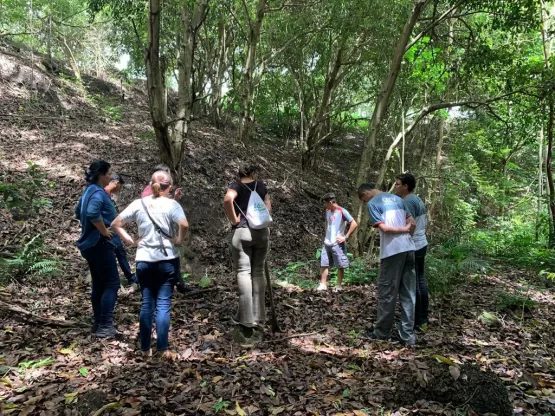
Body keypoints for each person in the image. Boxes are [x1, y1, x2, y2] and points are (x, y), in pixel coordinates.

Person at [111, 170, 189, 357]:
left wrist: (131, 241)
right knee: (163, 305)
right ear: (169, 186)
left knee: (147, 304)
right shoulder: (172, 205)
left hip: (144, 259)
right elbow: (184, 225)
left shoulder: (139, 203)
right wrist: (178, 239)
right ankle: (163, 348)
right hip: (167, 260)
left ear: (151, 184)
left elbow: (115, 223)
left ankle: (145, 348)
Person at [358, 183, 417, 345]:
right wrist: (407, 235)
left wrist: (403, 230)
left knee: (387, 292)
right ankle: (407, 335)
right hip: (409, 249)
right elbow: (413, 224)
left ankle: (382, 332)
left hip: (392, 252)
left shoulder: (373, 203)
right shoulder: (399, 199)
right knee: (408, 293)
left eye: (363, 199)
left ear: (366, 193)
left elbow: (384, 229)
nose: (365, 203)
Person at [223, 163, 271, 340]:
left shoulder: (236, 186)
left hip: (242, 231)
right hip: (262, 233)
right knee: (257, 273)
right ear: (253, 173)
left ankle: (246, 320)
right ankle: (258, 316)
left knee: (244, 272)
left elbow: (228, 199)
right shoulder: (261, 186)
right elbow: (268, 207)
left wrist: (234, 220)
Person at [75, 160, 120, 338]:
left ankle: (97, 323)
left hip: (90, 245)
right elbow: (92, 213)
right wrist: (104, 231)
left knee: (99, 284)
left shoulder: (88, 191)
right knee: (112, 283)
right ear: (101, 175)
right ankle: (105, 325)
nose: (110, 177)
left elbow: (78, 212)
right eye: (109, 173)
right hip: (99, 245)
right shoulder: (99, 194)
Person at [394, 173, 429, 329]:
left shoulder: (407, 201)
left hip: (414, 244)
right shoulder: (417, 199)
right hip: (422, 243)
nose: (395, 187)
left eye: (397, 184)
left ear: (405, 186)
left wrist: (405, 243)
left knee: (413, 283)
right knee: (420, 280)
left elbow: (411, 224)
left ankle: (416, 319)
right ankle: (422, 317)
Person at [317, 193, 358, 292]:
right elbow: (327, 222)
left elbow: (354, 223)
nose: (324, 206)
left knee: (339, 264)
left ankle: (338, 286)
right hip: (327, 242)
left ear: (330, 202)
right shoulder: (327, 211)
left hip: (337, 243)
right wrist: (327, 233)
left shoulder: (342, 211)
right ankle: (323, 284)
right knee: (324, 263)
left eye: (325, 203)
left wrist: (345, 236)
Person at [104, 173, 139, 286]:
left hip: (110, 230)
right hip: (107, 231)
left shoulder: (106, 195)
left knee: (120, 252)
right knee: (119, 252)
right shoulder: (102, 194)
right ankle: (128, 278)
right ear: (116, 183)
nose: (119, 189)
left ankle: (129, 277)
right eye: (120, 186)